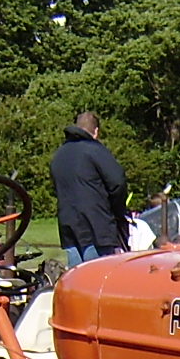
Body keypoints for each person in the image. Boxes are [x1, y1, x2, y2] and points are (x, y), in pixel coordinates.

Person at [49, 110, 130, 266]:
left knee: (78, 278)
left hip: (68, 225)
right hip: (97, 226)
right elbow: (118, 182)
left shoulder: (59, 155)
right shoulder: (95, 150)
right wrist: (117, 211)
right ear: (96, 131)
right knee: (98, 278)